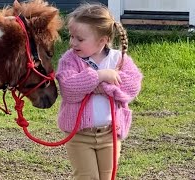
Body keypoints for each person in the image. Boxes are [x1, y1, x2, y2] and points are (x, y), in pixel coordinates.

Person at [56, 3, 143, 180]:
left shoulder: (118, 59)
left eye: (80, 39)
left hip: (110, 134)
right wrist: (101, 76)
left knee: (108, 177)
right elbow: (69, 89)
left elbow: (132, 86)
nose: (73, 43)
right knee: (87, 177)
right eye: (71, 36)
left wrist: (91, 86)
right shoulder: (70, 59)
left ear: (102, 41)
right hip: (79, 135)